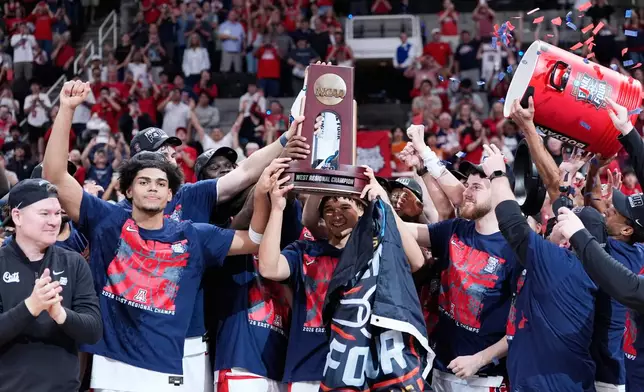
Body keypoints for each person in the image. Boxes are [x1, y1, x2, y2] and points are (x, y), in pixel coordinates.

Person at [43, 80, 270, 392]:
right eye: (146, 178)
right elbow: (54, 176)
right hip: (119, 350)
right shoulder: (108, 219)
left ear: (171, 191)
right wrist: (67, 109)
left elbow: (250, 216)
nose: (168, 160)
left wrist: (284, 146)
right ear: (128, 185)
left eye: (162, 180)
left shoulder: (192, 225)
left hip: (183, 345)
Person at [257, 167, 424, 391]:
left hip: (357, 374)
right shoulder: (306, 250)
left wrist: (383, 201)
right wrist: (277, 208)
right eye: (329, 209)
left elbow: (416, 261)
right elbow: (269, 268)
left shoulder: (376, 256)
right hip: (306, 372)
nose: (337, 215)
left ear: (363, 211)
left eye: (346, 207)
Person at [399, 124, 516, 391]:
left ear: (498, 194)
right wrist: (374, 201)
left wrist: (480, 359)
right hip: (441, 368)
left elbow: (523, 324)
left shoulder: (514, 250)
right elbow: (410, 230)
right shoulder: (456, 229)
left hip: (482, 378)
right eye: (467, 185)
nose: (466, 191)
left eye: (476, 186)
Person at [0, 178, 102, 392]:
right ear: (17, 216)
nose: (54, 221)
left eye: (57, 214)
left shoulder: (74, 263)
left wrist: (60, 314)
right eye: (44, 214)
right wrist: (31, 307)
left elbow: (93, 331)